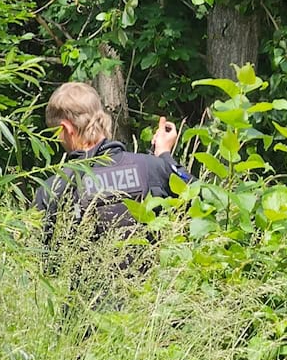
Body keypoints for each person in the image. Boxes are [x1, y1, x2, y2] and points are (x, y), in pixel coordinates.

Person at [32, 81, 190, 246]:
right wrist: (165, 156)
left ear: (66, 128)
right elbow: (202, 201)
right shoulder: (151, 167)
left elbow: (36, 258)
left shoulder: (53, 188)